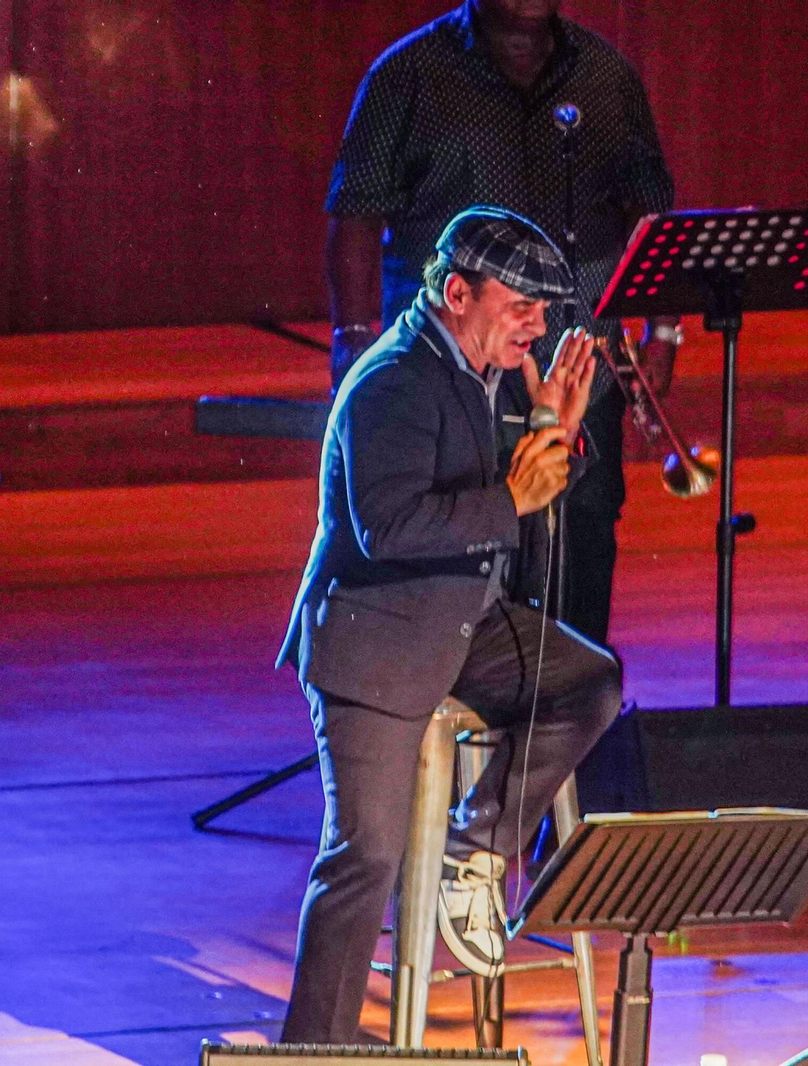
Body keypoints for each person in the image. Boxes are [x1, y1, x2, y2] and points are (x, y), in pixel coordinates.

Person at [276, 207, 623, 1044]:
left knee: (587, 680)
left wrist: (553, 430)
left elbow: (515, 495)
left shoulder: (480, 369)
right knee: (366, 859)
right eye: (521, 306)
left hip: (461, 625)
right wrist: (512, 498)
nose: (537, 326)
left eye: (545, 310)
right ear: (457, 292)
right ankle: (312, 1049)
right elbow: (385, 527)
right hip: (378, 644)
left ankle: (479, 847)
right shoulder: (393, 381)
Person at [324, 0, 682, 645]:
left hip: (577, 368)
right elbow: (354, 215)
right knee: (463, 545)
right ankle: (455, 730)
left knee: (583, 535)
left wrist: (662, 330)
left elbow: (648, 210)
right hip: (454, 379)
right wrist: (352, 352)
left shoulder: (607, 76)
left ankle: (570, 715)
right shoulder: (408, 74)